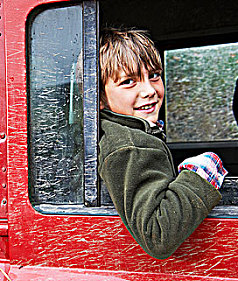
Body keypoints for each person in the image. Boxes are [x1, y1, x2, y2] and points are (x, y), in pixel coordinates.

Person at [98, 28, 228, 259]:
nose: (149, 90)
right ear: (99, 98)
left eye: (154, 75)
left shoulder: (129, 131)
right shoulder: (130, 146)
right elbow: (157, 234)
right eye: (129, 82)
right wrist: (199, 175)